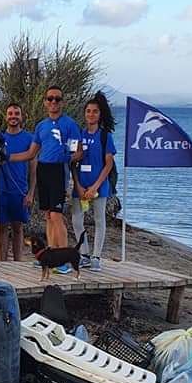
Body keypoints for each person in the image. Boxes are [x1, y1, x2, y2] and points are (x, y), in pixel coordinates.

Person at [8, 85, 82, 273]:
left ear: (62, 102)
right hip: (44, 170)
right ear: (45, 102)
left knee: (57, 215)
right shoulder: (41, 126)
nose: (53, 102)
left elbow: (79, 152)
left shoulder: (70, 124)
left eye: (57, 99)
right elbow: (31, 153)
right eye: (50, 99)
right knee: (48, 216)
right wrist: (7, 157)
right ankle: (50, 258)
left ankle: (64, 259)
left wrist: (67, 158)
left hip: (59, 171)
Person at [71, 91, 117, 272]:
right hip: (80, 187)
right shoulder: (78, 135)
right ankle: (84, 253)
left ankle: (96, 256)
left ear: (100, 114)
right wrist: (79, 186)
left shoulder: (105, 136)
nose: (91, 114)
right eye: (88, 111)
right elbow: (73, 163)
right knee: (77, 219)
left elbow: (108, 164)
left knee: (99, 219)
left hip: (99, 186)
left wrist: (95, 187)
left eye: (95, 111)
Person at [0, 103, 35, 262]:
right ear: (6, 116)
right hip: (1, 189)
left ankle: (18, 262)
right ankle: (1, 262)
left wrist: (31, 192)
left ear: (21, 116)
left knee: (18, 228)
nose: (13, 116)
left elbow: (34, 168)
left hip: (20, 190)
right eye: (10, 113)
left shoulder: (29, 138)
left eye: (16, 113)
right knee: (1, 228)